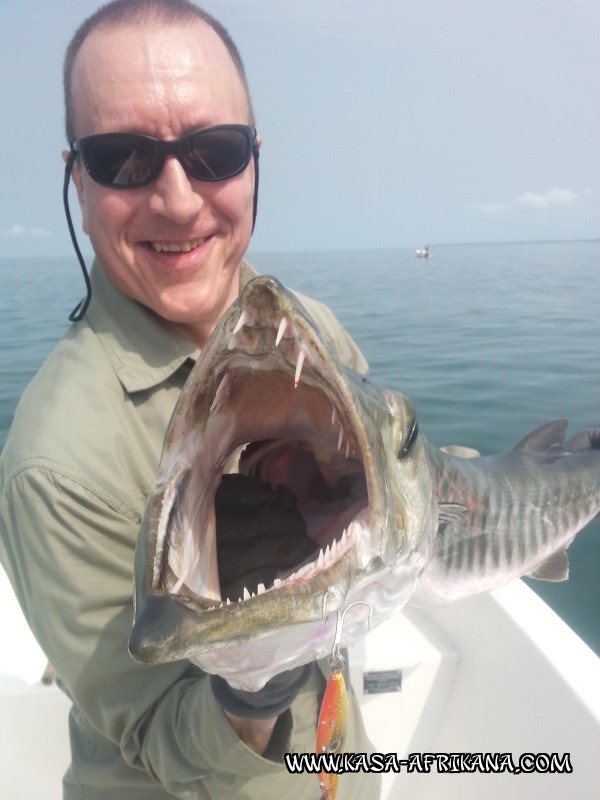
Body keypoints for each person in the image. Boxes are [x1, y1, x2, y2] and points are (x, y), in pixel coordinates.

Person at [0, 1, 379, 797]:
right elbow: (160, 737)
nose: (177, 199)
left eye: (213, 151)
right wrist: (257, 675)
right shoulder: (56, 465)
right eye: (123, 159)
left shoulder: (319, 333)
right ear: (77, 177)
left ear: (253, 160)